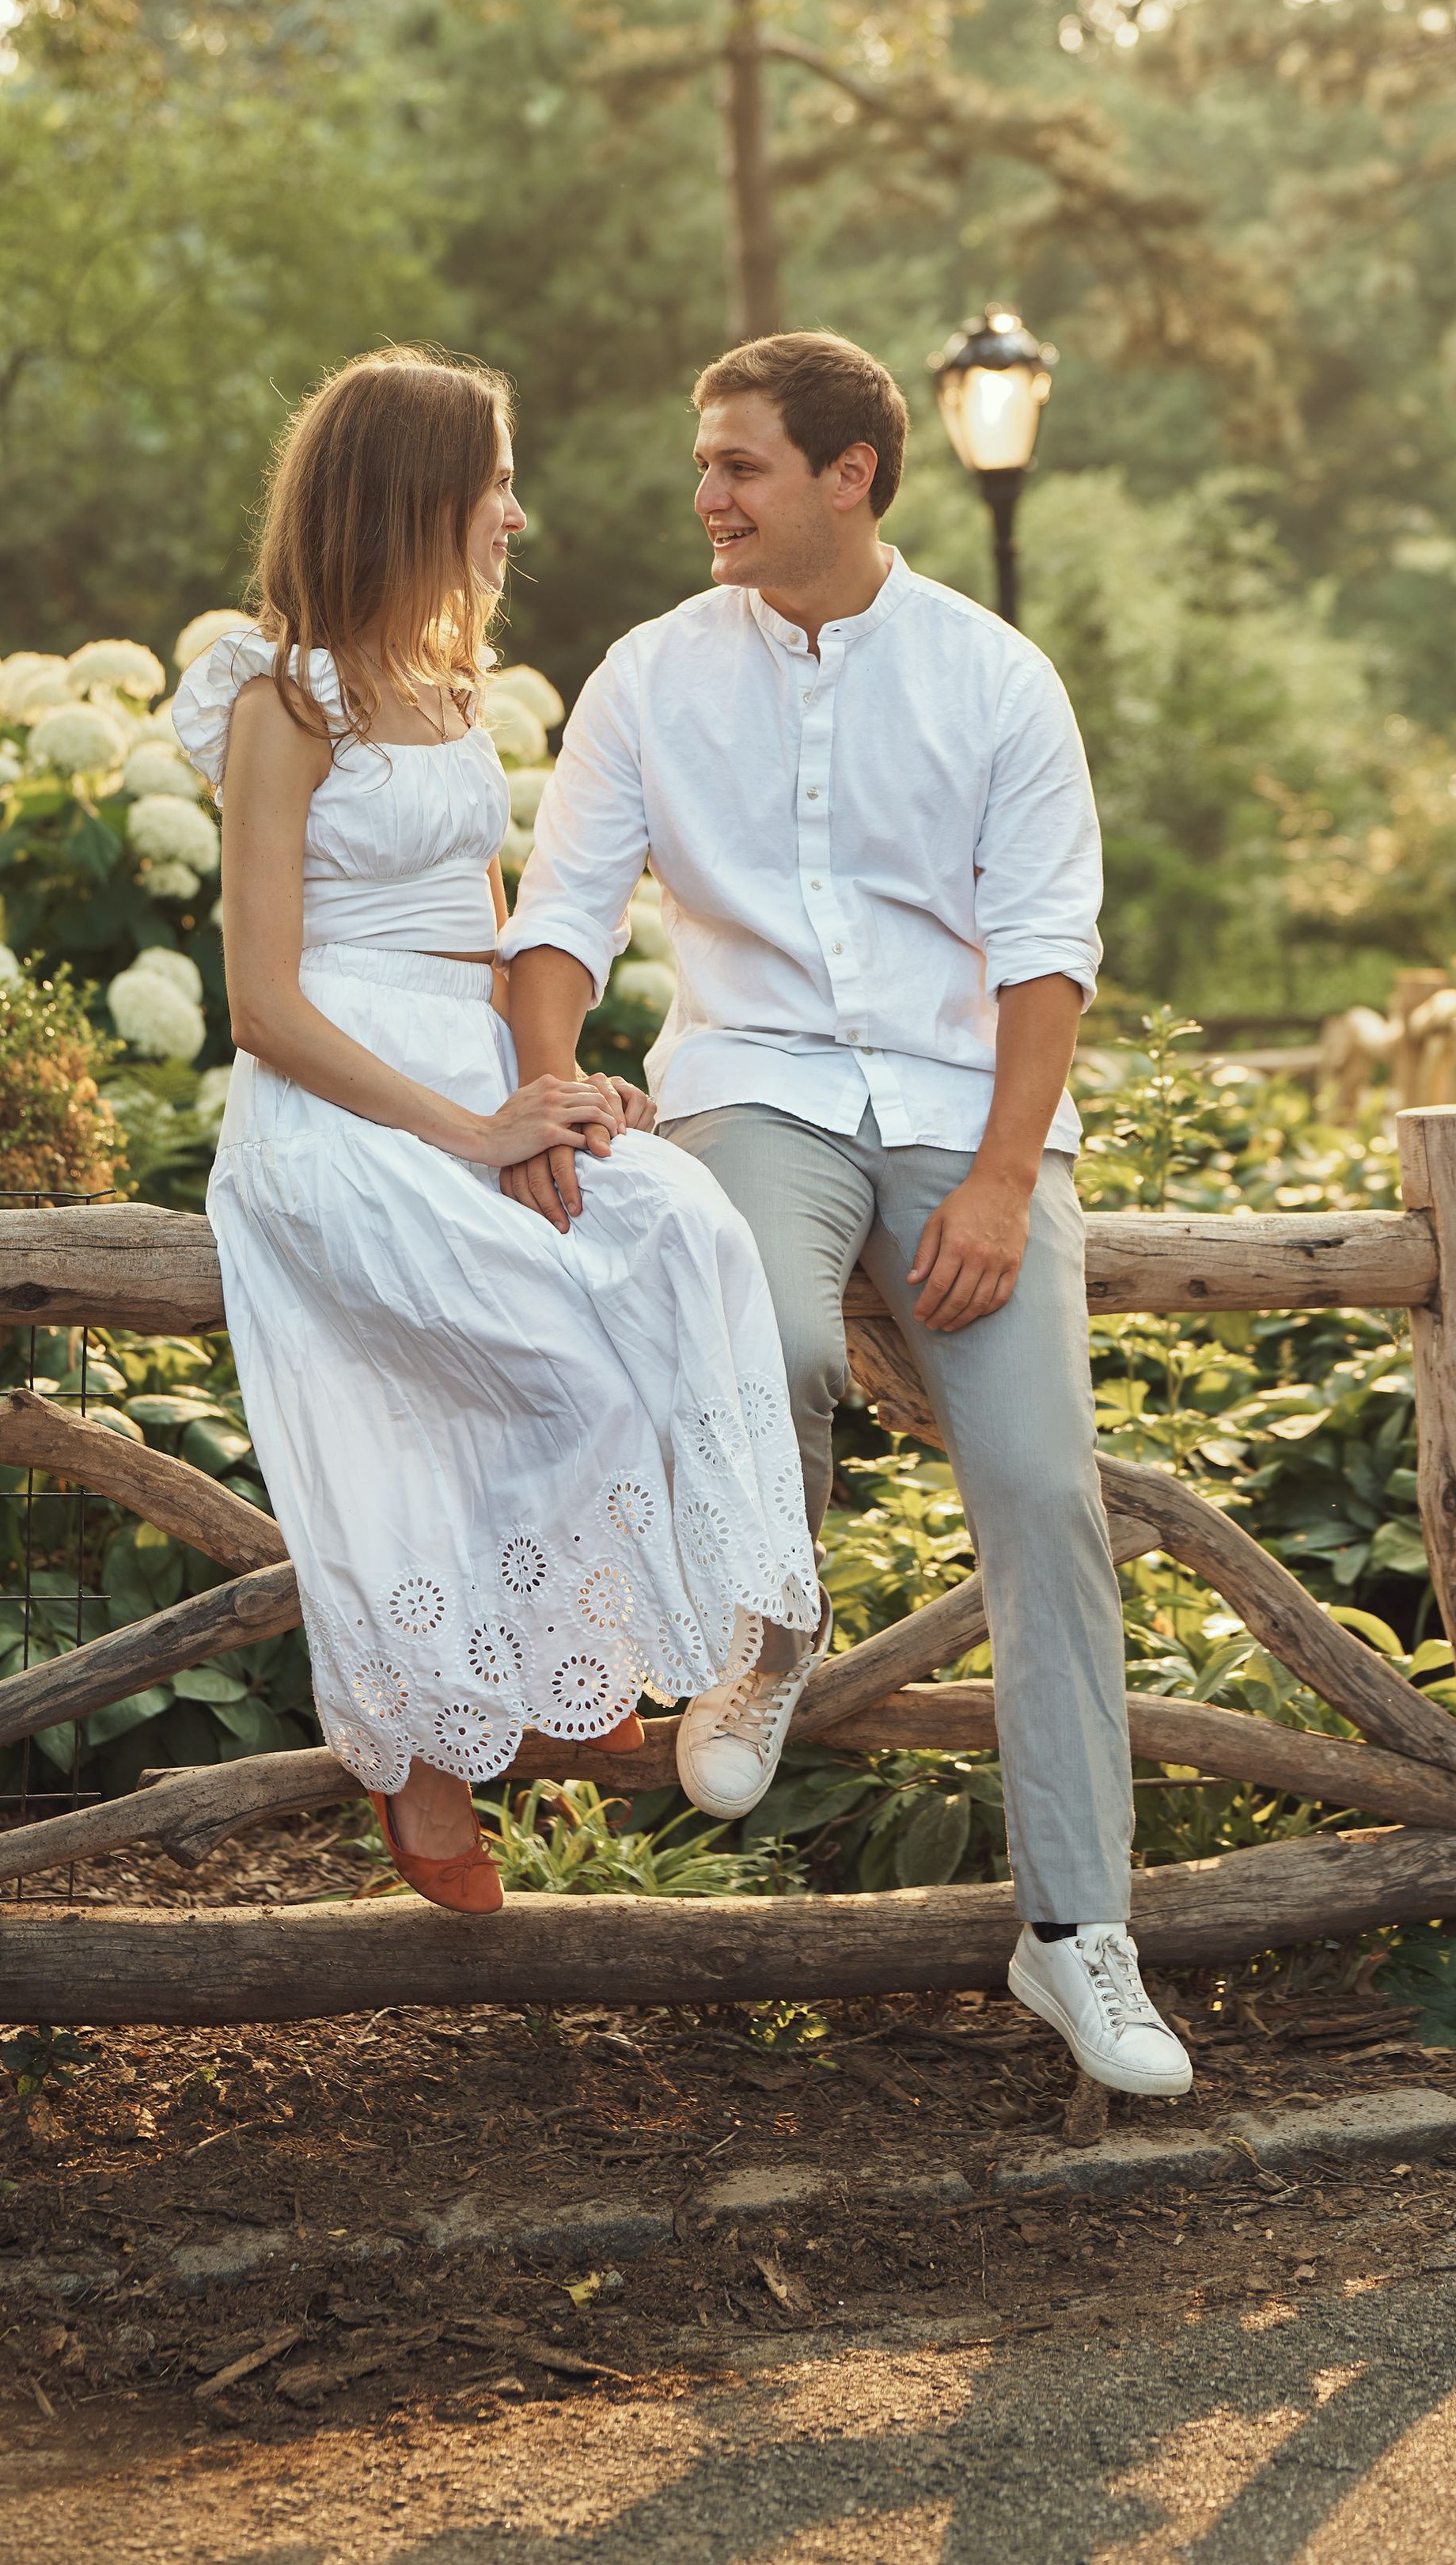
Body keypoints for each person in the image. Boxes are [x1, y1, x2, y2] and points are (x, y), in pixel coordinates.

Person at [499, 331, 1191, 2098]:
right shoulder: (649, 675)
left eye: (737, 463)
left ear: (849, 474)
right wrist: (551, 1079)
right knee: (783, 1338)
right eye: (704, 461)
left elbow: (1046, 953)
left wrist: (1001, 1180)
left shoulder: (993, 677)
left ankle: (1074, 1937)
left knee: (1043, 1491)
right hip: (756, 1089)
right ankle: (768, 1629)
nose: (705, 493)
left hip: (968, 1114)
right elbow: (561, 910)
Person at [173, 346, 819, 1914]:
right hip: (338, 1096)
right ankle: (429, 1741)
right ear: (415, 496)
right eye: (494, 485)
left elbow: (479, 940)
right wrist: (469, 1131)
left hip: (467, 1069)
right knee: (536, 1340)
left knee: (680, 1230)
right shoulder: (286, 700)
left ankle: (736, 1639)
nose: (515, 518)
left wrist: (559, 1092)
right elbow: (262, 1002)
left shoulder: (450, 691)